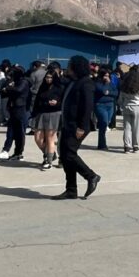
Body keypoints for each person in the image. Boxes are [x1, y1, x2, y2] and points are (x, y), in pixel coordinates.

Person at [50, 55, 100, 200]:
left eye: (70, 66)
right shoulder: (73, 81)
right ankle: (71, 190)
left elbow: (87, 107)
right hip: (67, 124)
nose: (68, 68)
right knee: (65, 156)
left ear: (76, 67)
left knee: (70, 154)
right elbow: (59, 82)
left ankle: (91, 176)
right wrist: (54, 72)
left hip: (78, 126)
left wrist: (82, 127)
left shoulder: (86, 83)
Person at [32, 70, 64, 170]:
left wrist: (57, 103)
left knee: (50, 138)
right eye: (47, 77)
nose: (48, 79)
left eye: (50, 77)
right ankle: (51, 154)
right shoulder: (43, 87)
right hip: (42, 113)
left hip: (54, 114)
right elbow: (37, 101)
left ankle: (48, 160)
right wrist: (34, 114)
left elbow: (63, 102)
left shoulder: (59, 88)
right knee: (38, 138)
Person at [0, 66, 30, 160]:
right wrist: (7, 88)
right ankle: (6, 149)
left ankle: (18, 152)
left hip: (21, 109)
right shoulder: (14, 82)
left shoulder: (24, 82)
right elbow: (4, 91)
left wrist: (9, 88)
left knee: (20, 132)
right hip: (13, 108)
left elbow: (18, 90)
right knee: (11, 130)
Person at [118, 66, 139, 153]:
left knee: (127, 128)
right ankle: (135, 146)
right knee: (137, 128)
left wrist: (122, 106)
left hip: (127, 107)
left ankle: (127, 146)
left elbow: (120, 100)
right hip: (137, 107)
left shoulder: (124, 87)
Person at [93, 66, 118, 150]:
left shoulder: (111, 83)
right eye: (105, 76)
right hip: (100, 105)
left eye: (108, 76)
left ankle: (102, 143)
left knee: (107, 122)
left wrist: (109, 91)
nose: (106, 77)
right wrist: (107, 87)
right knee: (103, 123)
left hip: (110, 105)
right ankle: (102, 144)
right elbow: (102, 91)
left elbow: (116, 92)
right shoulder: (97, 83)